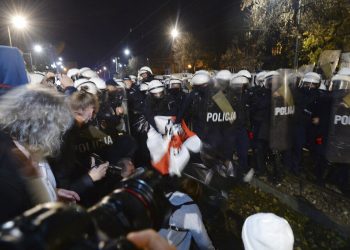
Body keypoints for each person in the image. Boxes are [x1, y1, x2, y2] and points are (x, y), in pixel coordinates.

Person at [0, 85, 78, 223]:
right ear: (42, 126)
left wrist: (53, 192)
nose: (58, 135)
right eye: (57, 127)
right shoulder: (6, 164)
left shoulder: (29, 147)